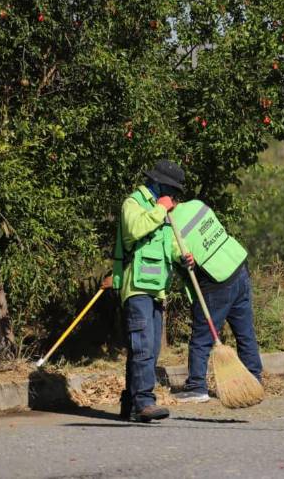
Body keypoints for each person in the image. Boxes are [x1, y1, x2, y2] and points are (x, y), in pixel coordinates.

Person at [110, 160, 186, 422]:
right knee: (143, 347)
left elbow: (169, 244)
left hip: (157, 289)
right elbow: (134, 231)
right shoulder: (133, 203)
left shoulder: (164, 210)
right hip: (136, 287)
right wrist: (159, 209)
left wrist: (182, 256)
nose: (173, 194)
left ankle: (130, 404)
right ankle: (145, 402)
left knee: (148, 349)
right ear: (157, 183)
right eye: (170, 188)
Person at [169, 199, 263, 403]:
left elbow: (178, 253)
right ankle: (254, 379)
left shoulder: (170, 227)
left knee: (202, 338)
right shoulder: (197, 205)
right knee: (245, 332)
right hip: (238, 267)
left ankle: (196, 386)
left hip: (216, 281)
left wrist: (185, 258)